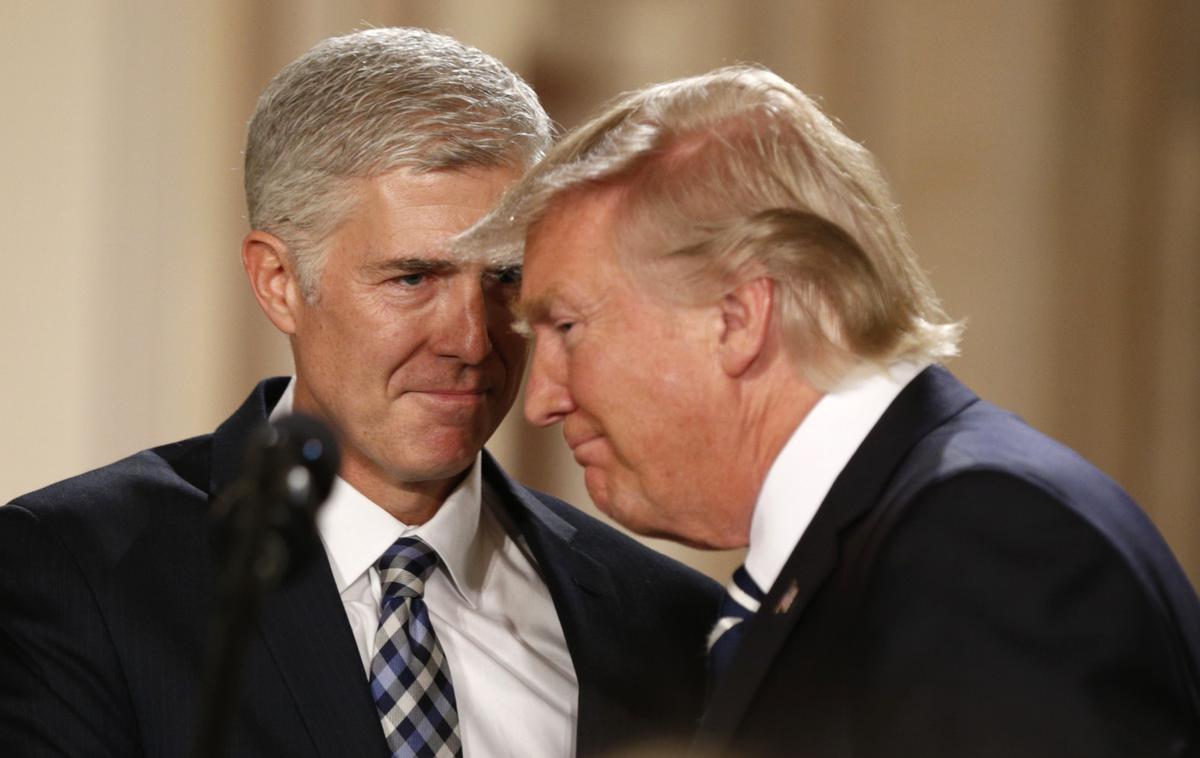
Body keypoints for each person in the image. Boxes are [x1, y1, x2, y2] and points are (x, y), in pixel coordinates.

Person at [0, 28, 721, 758]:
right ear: (279, 283)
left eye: (505, 278)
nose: (472, 344)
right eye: (413, 279)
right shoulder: (79, 573)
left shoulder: (670, 625)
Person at [460, 65, 1200, 756]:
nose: (543, 401)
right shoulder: (887, 540)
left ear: (740, 317)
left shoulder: (981, 544)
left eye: (566, 327)